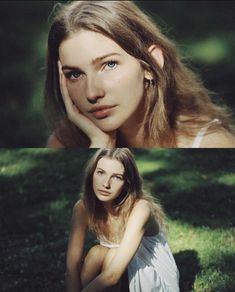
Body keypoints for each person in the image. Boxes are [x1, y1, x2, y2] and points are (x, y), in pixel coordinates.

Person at [45, 1, 235, 148]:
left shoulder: (212, 143)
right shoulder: (63, 143)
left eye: (109, 64)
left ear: (150, 65)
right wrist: (100, 145)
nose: (92, 93)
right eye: (75, 74)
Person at [66, 148, 180, 292]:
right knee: (96, 253)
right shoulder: (82, 208)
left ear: (127, 183)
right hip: (117, 271)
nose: (106, 184)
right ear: (92, 174)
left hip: (151, 276)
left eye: (117, 177)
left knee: (112, 254)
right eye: (100, 172)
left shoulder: (141, 208)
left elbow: (113, 275)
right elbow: (71, 267)